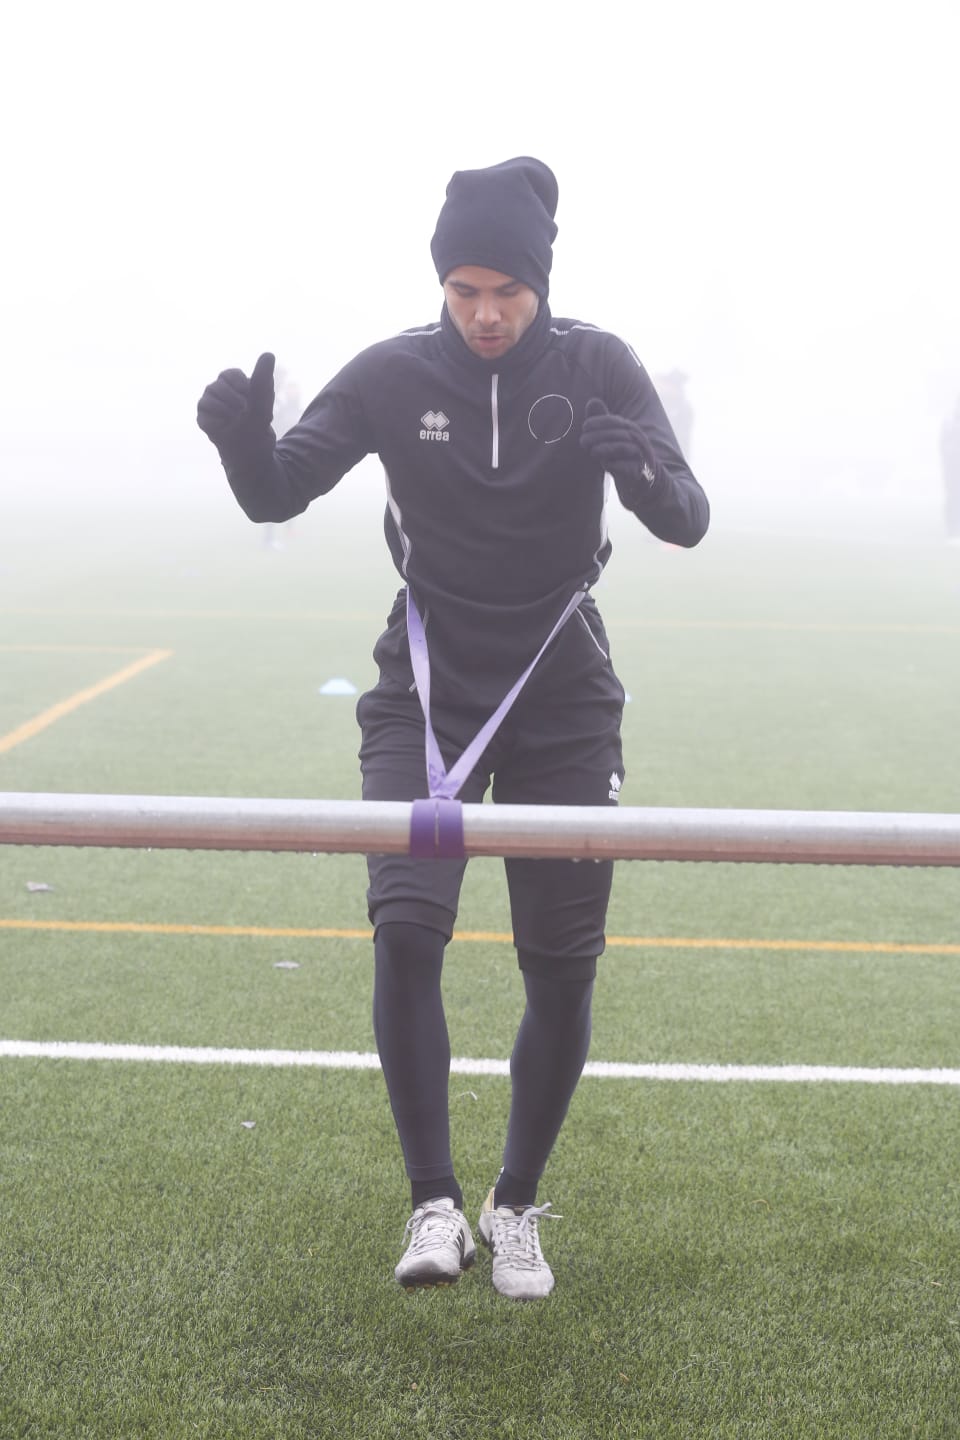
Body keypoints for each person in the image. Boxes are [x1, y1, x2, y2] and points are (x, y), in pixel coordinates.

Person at [197, 157, 710, 1301]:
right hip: (426, 690)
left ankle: (514, 1204)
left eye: (507, 292)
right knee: (409, 931)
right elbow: (278, 491)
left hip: (563, 696)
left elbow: (690, 517)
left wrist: (646, 479)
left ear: (541, 285)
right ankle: (433, 1204)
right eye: (465, 288)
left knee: (561, 968)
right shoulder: (391, 374)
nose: (485, 313)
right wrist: (241, 443)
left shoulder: (598, 367)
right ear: (442, 282)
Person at [941, 395, 960, 544]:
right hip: (953, 469)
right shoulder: (949, 426)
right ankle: (953, 532)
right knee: (954, 498)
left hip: (952, 467)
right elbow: (944, 447)